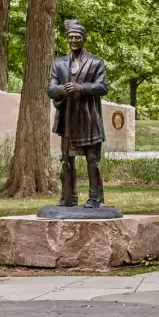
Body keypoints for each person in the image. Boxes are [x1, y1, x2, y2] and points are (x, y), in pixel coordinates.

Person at [48, 19, 109, 208]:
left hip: (89, 118)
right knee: (67, 159)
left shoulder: (95, 62)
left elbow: (102, 87)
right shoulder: (59, 63)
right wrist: (62, 89)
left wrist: (81, 87)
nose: (73, 40)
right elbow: (51, 89)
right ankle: (68, 197)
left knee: (92, 159)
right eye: (70, 37)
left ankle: (94, 198)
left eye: (77, 37)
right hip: (68, 119)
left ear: (84, 39)